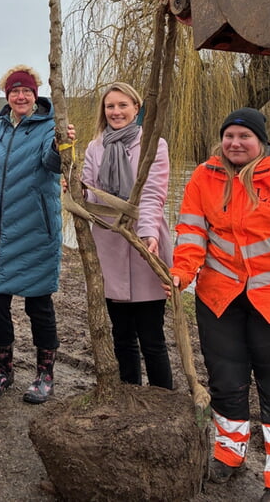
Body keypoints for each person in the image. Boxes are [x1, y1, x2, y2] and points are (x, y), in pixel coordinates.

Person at [166, 108, 270, 502]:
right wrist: (182, 272)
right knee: (226, 383)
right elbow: (192, 230)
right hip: (219, 300)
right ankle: (229, 454)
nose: (235, 143)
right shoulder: (203, 177)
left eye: (244, 136)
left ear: (261, 141)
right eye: (229, 136)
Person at [0, 65, 73, 404]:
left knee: (39, 306)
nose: (20, 96)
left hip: (35, 232)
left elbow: (54, 164)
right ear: (7, 96)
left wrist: (61, 144)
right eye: (14, 91)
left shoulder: (48, 128)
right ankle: (3, 371)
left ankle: (44, 375)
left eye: (26, 90)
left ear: (36, 93)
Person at [81, 81, 173, 389]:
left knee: (152, 337)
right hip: (108, 244)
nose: (116, 111)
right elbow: (91, 195)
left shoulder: (153, 145)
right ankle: (129, 394)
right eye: (110, 106)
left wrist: (148, 235)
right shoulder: (95, 147)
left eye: (123, 105)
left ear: (136, 108)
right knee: (121, 335)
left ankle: (163, 399)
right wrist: (76, 188)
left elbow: (153, 194)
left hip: (145, 244)